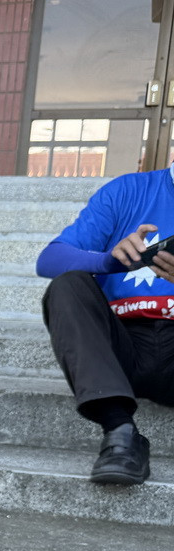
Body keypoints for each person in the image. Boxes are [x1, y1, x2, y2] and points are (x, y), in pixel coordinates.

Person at [36, 168, 174, 486]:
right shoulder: (126, 191)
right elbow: (49, 259)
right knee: (67, 285)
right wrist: (108, 263)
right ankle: (120, 432)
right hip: (120, 349)